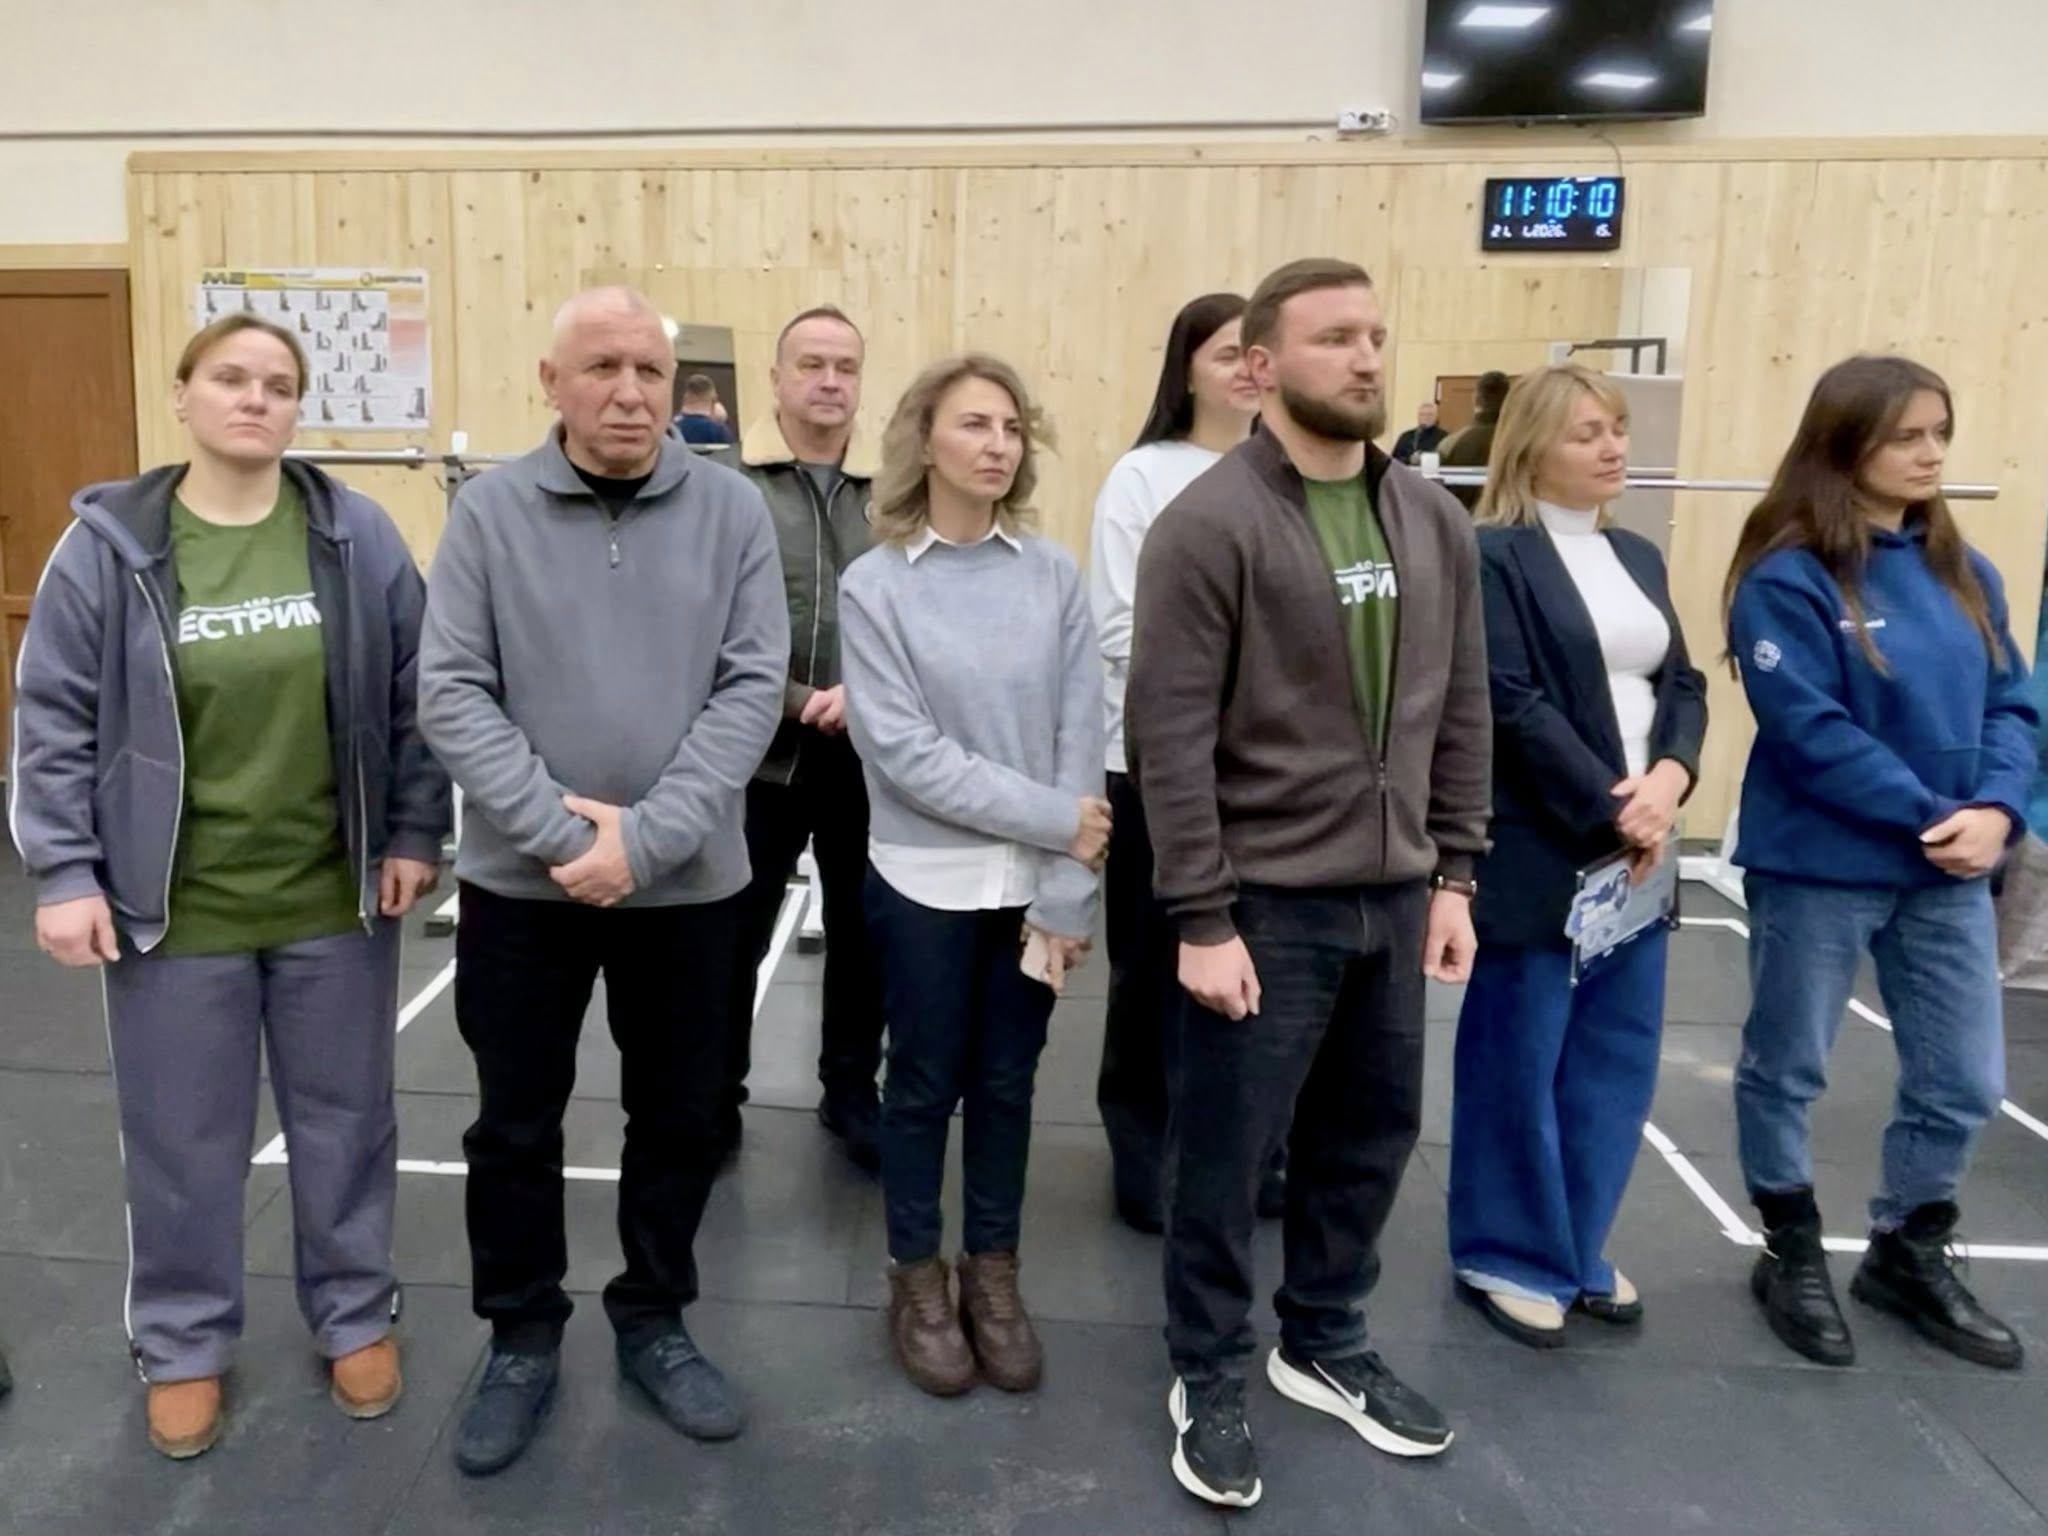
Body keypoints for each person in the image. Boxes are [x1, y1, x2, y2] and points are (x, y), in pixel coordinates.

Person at [9, 313, 449, 1460]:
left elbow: (417, 696)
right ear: (184, 396)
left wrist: (413, 828)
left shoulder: (354, 533)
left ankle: (353, 1314)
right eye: (232, 378)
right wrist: (64, 870)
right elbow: (53, 719)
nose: (256, 399)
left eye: (278, 384)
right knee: (181, 1138)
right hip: (174, 909)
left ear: (297, 408)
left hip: (332, 899)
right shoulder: (109, 547)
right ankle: (184, 1340)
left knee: (346, 1123)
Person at [1130, 258, 1491, 1508]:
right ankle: (1206, 1369)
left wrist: (1455, 872)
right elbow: (1168, 736)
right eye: (1334, 336)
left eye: (1374, 334)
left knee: (1370, 1139)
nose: (1365, 357)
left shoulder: (1431, 519)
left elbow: (1460, 707)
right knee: (1224, 1158)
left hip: (1394, 895)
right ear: (1260, 365)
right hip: (1263, 907)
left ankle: (1323, 1339)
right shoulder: (1207, 524)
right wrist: (1200, 915)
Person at [418, 287, 789, 1475]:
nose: (629, 393)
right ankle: (520, 1333)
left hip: (688, 891)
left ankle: (653, 1317)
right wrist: (558, 835)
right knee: (513, 1124)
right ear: (551, 381)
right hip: (522, 891)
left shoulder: (731, 510)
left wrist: (648, 841)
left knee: (679, 1117)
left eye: (649, 371)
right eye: (601, 369)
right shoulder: (489, 514)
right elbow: (451, 691)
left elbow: (750, 688)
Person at [1724, 355, 2032, 1372]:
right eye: (1907, 436)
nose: (1931, 453)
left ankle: (1906, 1246)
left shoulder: (1965, 573)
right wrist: (1936, 815)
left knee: (1964, 1080)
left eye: (1939, 432)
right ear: (1845, 444)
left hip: (1944, 872)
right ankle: (1790, 1244)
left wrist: (1996, 810)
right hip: (1819, 867)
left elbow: (2013, 706)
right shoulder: (1788, 578)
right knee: (1788, 1065)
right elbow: (1808, 731)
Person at [839, 355, 1105, 1398]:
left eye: (1011, 428)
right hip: (922, 885)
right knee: (919, 1085)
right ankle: (916, 1278)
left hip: (1036, 885)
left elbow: (1079, 734)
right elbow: (906, 756)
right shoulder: (875, 586)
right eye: (974, 425)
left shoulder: (1053, 576)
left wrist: (1068, 886)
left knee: (1005, 1086)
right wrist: (1059, 821)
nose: (998, 445)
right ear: (924, 441)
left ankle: (992, 1275)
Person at [1447, 365, 1707, 1347]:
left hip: (1641, 847)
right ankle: (1506, 1252)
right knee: (1518, 1059)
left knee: (1613, 1061)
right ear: (1530, 447)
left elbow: (1682, 683)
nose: (1611, 447)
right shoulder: (1492, 557)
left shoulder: (1636, 553)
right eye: (1585, 432)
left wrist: (1671, 778)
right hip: (1546, 847)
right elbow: (1509, 702)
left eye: (1616, 428)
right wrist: (1617, 811)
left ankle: (1573, 1241)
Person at [1087, 291, 1259, 1233]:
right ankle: (1145, 1154)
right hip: (1155, 765)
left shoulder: (1292, 475)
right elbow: (1121, 626)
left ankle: (1244, 1154)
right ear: (1186, 370)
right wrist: (1243, 687)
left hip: (1268, 778)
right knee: (1154, 972)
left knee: (1260, 974)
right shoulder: (1143, 477)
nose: (1246, 370)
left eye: (1257, 353)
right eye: (1226, 353)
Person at [717, 306, 887, 1173]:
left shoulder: (897, 491)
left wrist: (868, 696)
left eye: (845, 367)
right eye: (812, 364)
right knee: (732, 937)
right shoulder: (723, 486)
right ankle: (715, 1096)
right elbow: (703, 619)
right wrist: (791, 699)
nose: (829, 381)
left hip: (868, 754)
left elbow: (918, 615)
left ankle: (851, 1093)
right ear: (777, 378)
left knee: (864, 936)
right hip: (754, 754)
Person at [1440, 370, 1509, 510]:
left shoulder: (1451, 443)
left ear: (1476, 399)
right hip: (1512, 519)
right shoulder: (1526, 443)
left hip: (1463, 518)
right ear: (1510, 401)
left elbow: (1439, 495)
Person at [673, 373, 735, 445]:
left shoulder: (672, 428)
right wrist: (724, 421)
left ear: (684, 399)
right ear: (714, 400)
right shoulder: (719, 431)